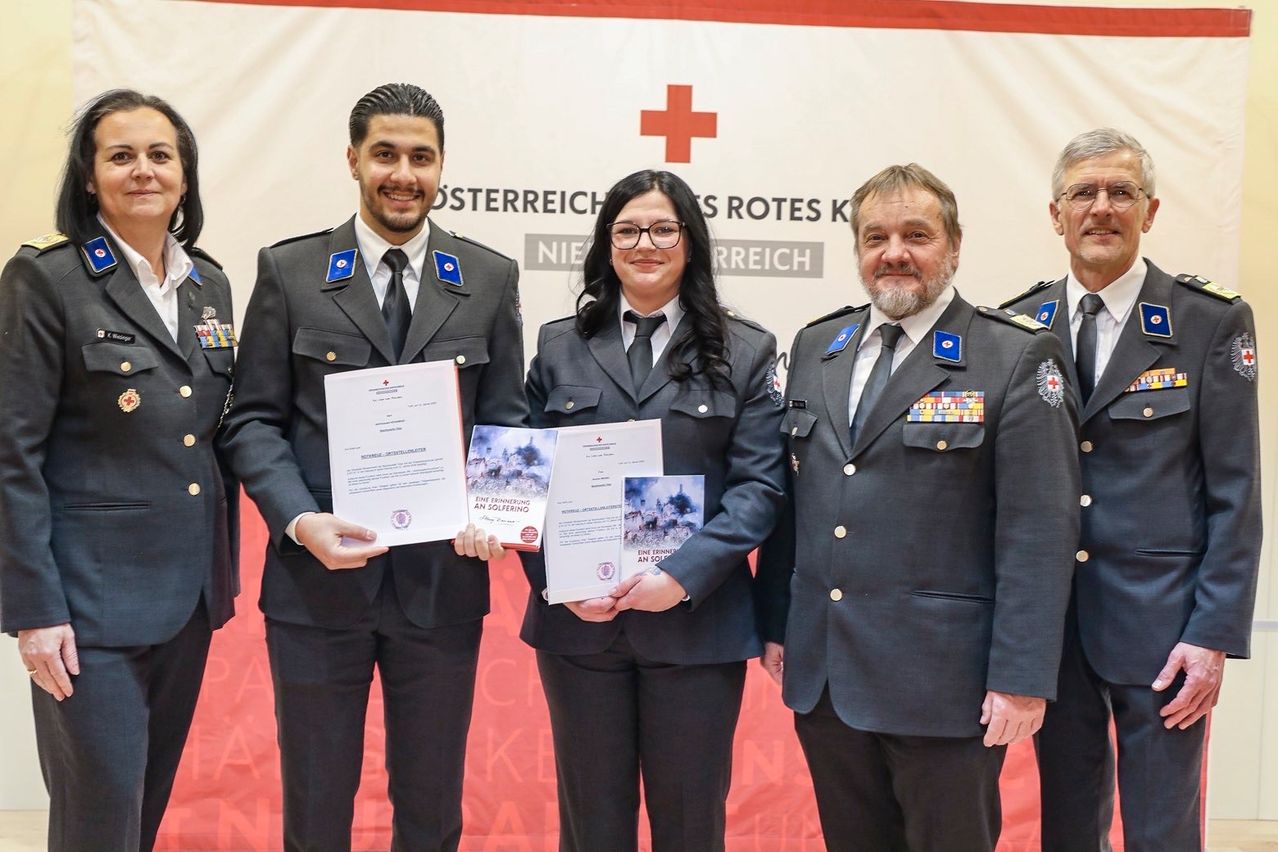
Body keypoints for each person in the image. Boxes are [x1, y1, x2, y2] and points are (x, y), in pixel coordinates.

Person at [218, 82, 526, 851]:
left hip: (441, 587)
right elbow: (253, 420)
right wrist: (300, 520)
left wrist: (496, 513)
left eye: (421, 157)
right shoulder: (291, 273)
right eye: (385, 154)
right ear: (353, 160)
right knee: (316, 807)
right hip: (317, 585)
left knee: (431, 809)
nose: (403, 173)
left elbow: (508, 422)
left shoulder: (487, 279)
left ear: (442, 166)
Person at [755, 164, 1081, 852]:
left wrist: (1022, 678)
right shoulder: (820, 346)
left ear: (954, 246)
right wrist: (777, 624)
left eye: (916, 235)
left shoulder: (1014, 354)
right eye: (875, 237)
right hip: (828, 675)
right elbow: (800, 500)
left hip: (945, 686)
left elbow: (1040, 530)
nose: (894, 253)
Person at [1000, 128, 1261, 852]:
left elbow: (1235, 494)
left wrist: (1213, 635)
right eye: (1083, 193)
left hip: (1164, 633)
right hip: (1053, 630)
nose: (1102, 207)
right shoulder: (1017, 328)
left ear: (1150, 211)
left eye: (1122, 192)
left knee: (1162, 829)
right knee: (1067, 827)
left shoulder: (1208, 322)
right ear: (1056, 215)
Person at [519, 169, 786, 852]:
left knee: (691, 827)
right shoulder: (557, 345)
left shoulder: (747, 350)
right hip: (581, 628)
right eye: (628, 229)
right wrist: (562, 580)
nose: (646, 243)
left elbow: (759, 489)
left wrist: (682, 576)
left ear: (689, 241)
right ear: (607, 244)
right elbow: (523, 484)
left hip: (697, 628)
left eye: (664, 228)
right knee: (591, 827)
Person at [0, 89, 237, 852]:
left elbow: (213, 434)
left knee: (142, 813)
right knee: (98, 823)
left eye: (161, 155)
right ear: (90, 174)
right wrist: (33, 610)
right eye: (121, 155)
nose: (144, 170)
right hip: (86, 611)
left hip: (187, 599)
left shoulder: (210, 284)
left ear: (185, 176)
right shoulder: (47, 278)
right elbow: (13, 452)